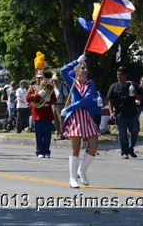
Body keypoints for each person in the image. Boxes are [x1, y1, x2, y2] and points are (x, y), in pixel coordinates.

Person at [60, 55, 100, 188]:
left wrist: (68, 107)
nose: (85, 70)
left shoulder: (91, 84)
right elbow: (62, 71)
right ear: (76, 70)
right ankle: (72, 178)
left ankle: (82, 171)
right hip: (76, 119)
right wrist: (76, 61)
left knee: (94, 146)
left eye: (86, 68)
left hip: (87, 118)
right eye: (82, 67)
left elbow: (86, 101)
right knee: (75, 148)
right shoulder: (72, 82)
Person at [107, 66, 142, 159]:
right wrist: (111, 113)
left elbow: (140, 98)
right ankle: (124, 152)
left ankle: (130, 148)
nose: (119, 76)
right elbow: (110, 101)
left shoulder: (132, 85)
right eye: (118, 74)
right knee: (122, 134)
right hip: (120, 114)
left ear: (126, 75)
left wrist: (135, 93)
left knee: (135, 132)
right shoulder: (114, 87)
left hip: (133, 114)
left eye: (121, 74)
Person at [52, 75, 68, 139]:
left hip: (60, 105)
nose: (55, 82)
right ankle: (58, 133)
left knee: (61, 120)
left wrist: (64, 105)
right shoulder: (53, 88)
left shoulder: (62, 87)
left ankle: (62, 134)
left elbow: (66, 96)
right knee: (55, 120)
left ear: (59, 81)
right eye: (54, 81)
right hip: (54, 105)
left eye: (56, 81)